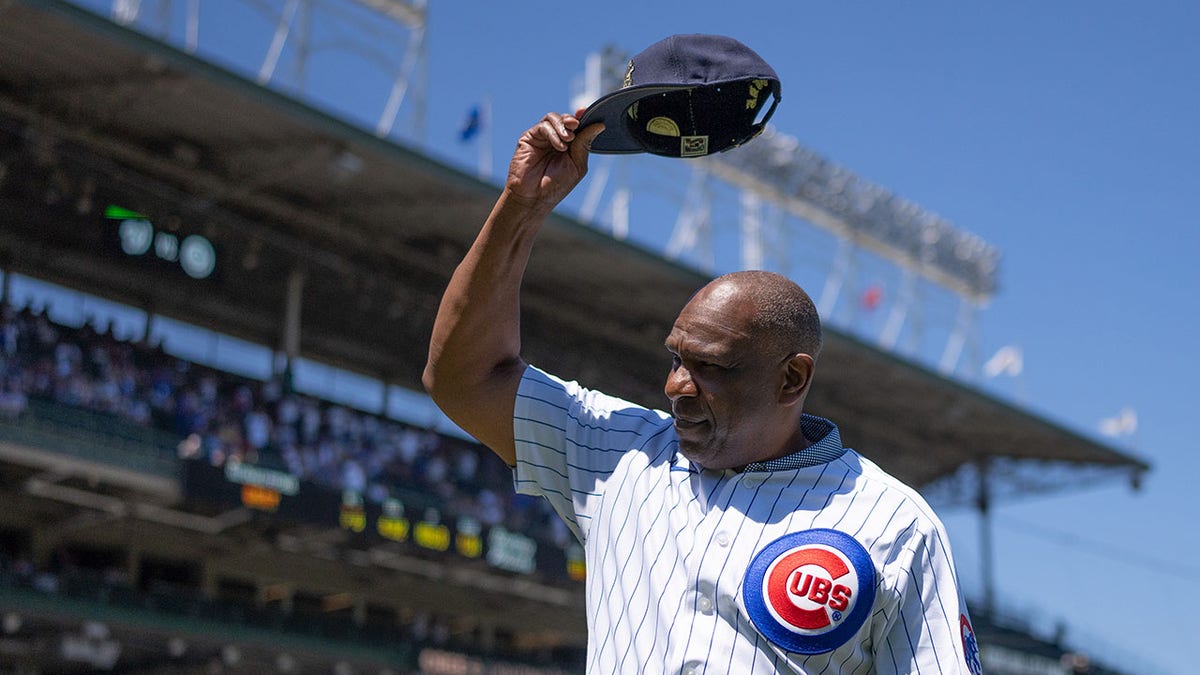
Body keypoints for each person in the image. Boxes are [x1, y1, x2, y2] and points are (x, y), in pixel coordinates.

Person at [423, 110, 984, 674]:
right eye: (675, 358)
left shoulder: (894, 522)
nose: (676, 387)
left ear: (792, 378)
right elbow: (464, 378)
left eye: (710, 366)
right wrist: (521, 206)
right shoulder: (618, 455)